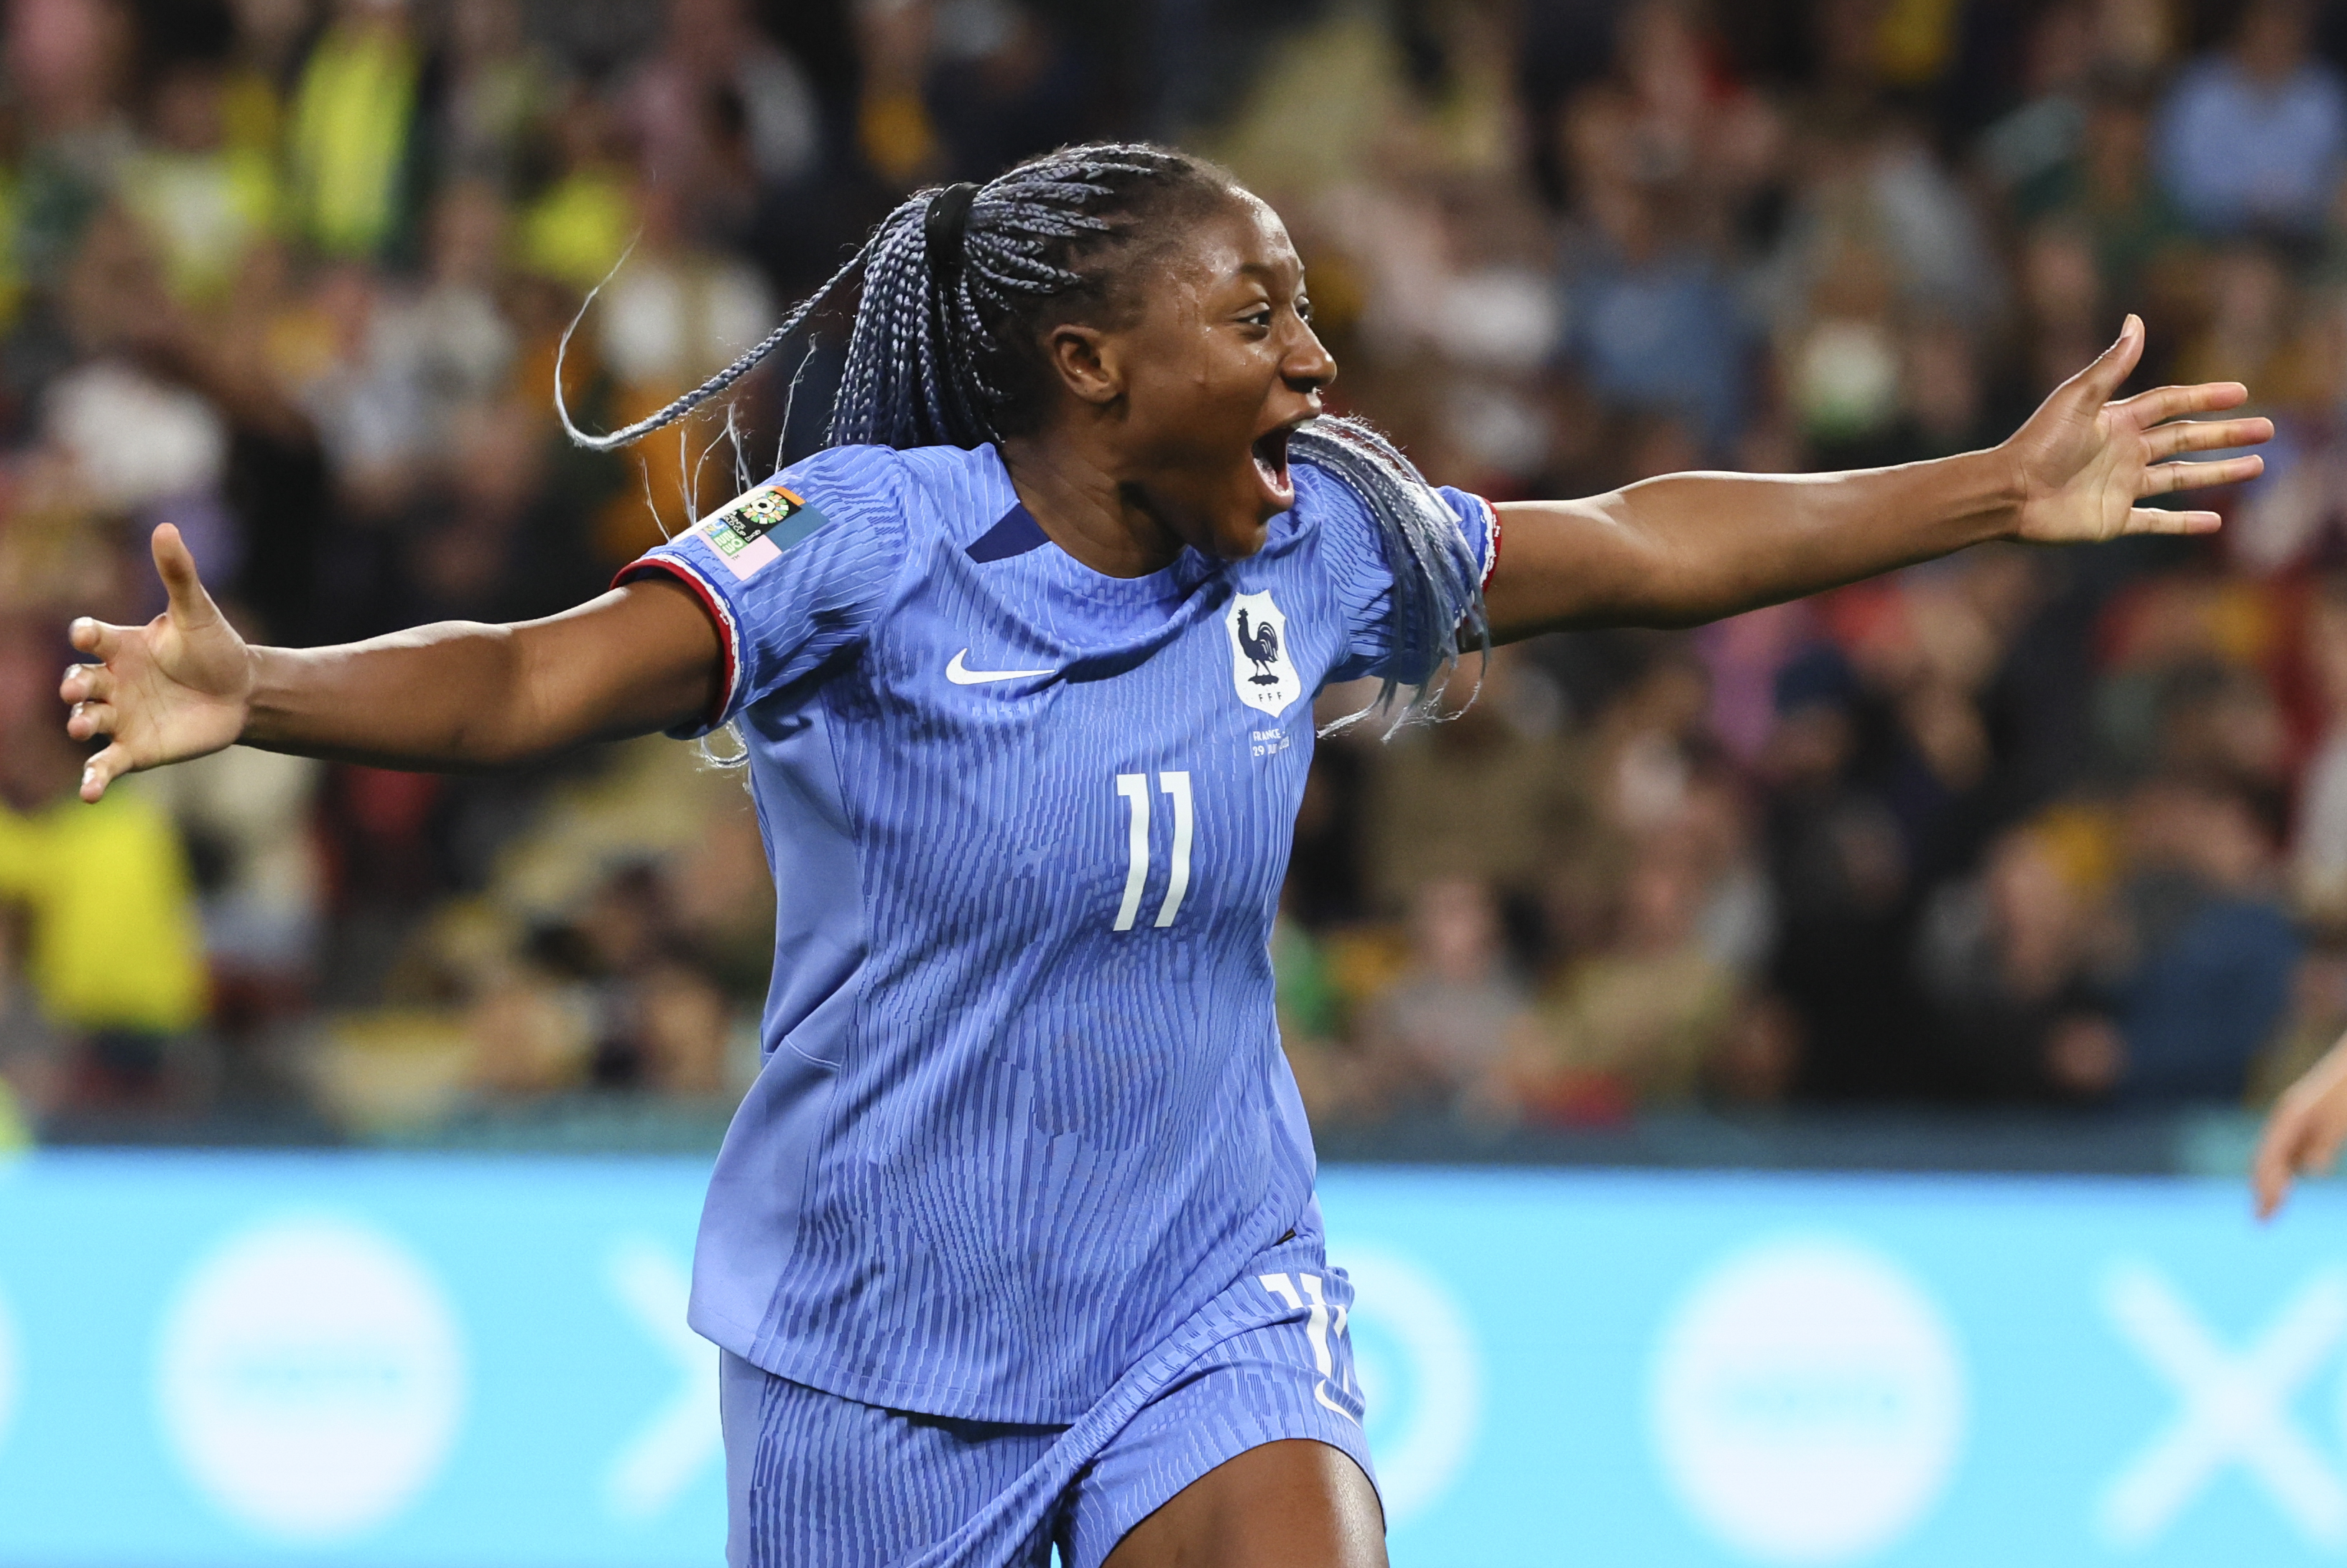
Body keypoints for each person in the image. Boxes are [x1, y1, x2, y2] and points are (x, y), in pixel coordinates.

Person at [58, 142, 2267, 1567]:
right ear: (1091, 368)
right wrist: (266, 689)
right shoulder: (860, 552)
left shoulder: (1316, 544)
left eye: (1308, 313)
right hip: (871, 1351)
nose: (1316, 363)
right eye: (1261, 319)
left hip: (1197, 1293)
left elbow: (1635, 547)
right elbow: (534, 687)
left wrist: (1988, 487)